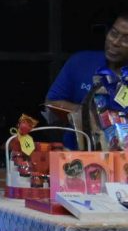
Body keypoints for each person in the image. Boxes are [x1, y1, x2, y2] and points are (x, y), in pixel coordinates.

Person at [46, 12, 128, 147]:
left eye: (126, 39)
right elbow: (52, 102)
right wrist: (87, 114)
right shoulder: (80, 62)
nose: (115, 42)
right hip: (74, 156)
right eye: (114, 33)